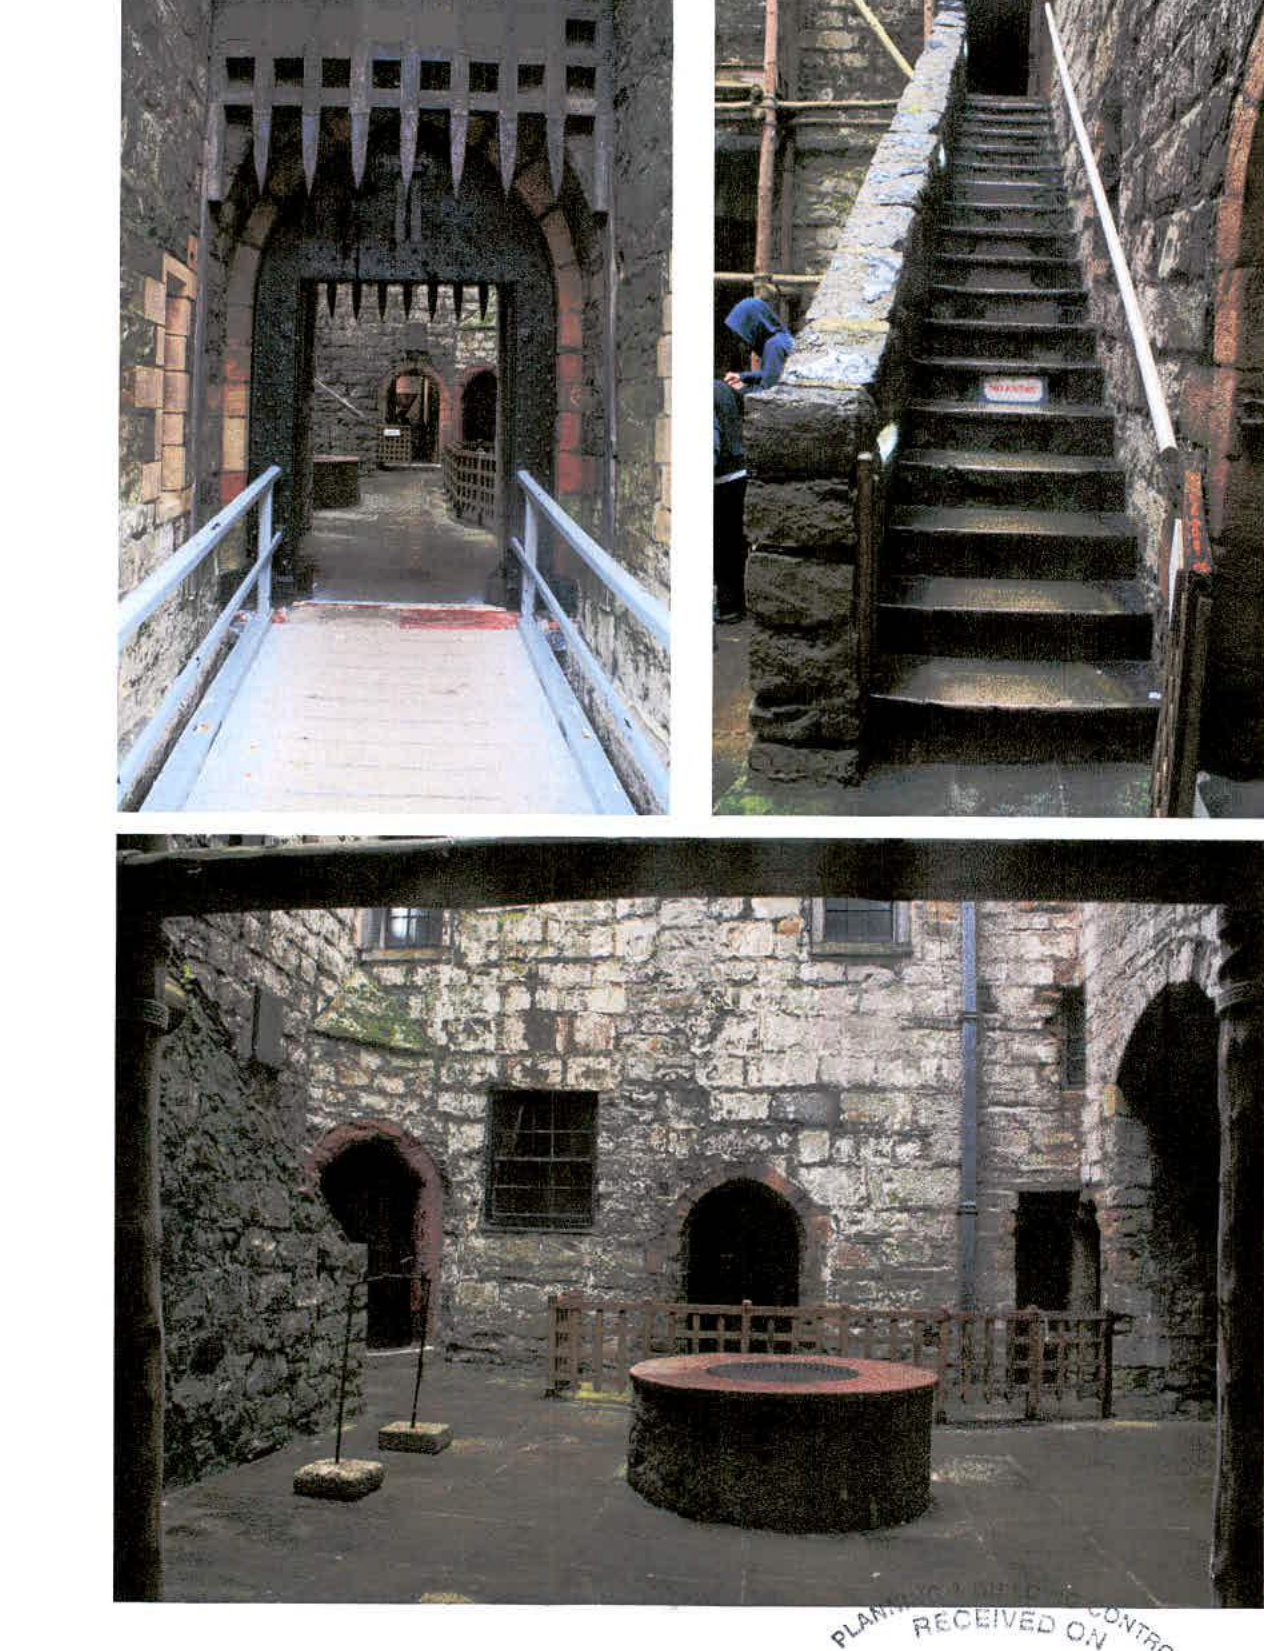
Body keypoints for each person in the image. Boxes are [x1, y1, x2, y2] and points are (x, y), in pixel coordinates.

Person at [713, 379, 748, 623]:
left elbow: (713, 443)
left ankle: (729, 607)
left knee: (722, 548)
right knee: (735, 547)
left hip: (723, 480)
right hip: (739, 474)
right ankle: (736, 604)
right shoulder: (724, 389)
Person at [724, 296, 794, 395]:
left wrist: (742, 389)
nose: (743, 341)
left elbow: (769, 394)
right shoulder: (781, 338)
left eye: (743, 333)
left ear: (752, 324)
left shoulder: (774, 346)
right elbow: (772, 374)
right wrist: (742, 376)